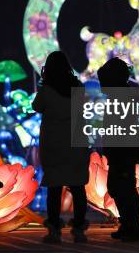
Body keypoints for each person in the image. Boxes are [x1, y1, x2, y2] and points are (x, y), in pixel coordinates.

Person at [32, 51, 90, 244]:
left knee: (54, 188)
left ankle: (54, 230)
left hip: (54, 143)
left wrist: (43, 85)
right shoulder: (78, 88)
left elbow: (36, 107)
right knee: (78, 187)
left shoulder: (47, 90)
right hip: (76, 142)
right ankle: (79, 229)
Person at [97, 57, 139, 242]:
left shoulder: (121, 98)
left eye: (103, 81)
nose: (101, 85)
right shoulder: (120, 97)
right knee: (120, 188)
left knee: (123, 188)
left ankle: (133, 227)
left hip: (123, 151)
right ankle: (129, 225)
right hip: (120, 151)